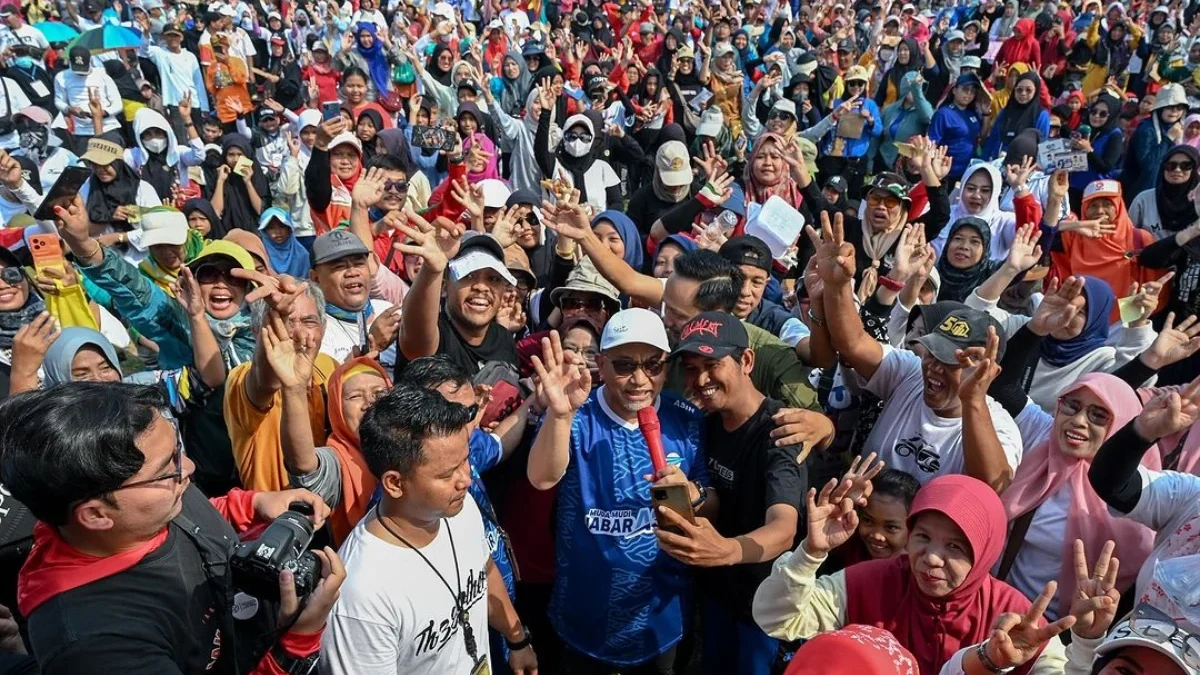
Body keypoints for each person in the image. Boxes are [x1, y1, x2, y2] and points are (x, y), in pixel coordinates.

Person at [0, 382, 345, 674]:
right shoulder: (97, 645)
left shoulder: (153, 497)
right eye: (170, 467)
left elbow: (198, 515)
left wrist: (250, 505)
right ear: (95, 515)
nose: (189, 469)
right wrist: (296, 644)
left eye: (179, 451)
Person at [527, 311, 709, 674]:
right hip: (584, 614)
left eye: (653, 365)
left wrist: (693, 493)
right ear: (601, 364)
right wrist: (560, 416)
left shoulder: (687, 418)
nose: (640, 379)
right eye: (625, 365)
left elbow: (709, 498)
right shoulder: (577, 414)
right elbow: (542, 478)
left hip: (661, 619)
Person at [752, 474, 1071, 675]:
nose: (931, 557)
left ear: (985, 552)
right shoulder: (869, 581)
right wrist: (810, 553)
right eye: (922, 537)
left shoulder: (1016, 619)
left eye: (955, 547)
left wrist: (1086, 643)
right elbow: (776, 619)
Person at [320, 382, 537, 675]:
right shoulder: (360, 596)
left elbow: (484, 571)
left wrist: (517, 640)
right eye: (447, 473)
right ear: (395, 483)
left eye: (464, 462)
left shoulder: (459, 508)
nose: (466, 481)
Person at [812, 211, 1022, 489]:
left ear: (986, 372)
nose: (933, 367)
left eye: (951, 362)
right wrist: (836, 286)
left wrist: (973, 401)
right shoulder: (909, 373)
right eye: (933, 354)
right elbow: (853, 344)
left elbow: (992, 485)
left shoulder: (1001, 427)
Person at [660, 311, 806, 675]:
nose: (701, 379)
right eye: (691, 369)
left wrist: (728, 550)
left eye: (712, 364)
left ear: (746, 360)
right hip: (716, 594)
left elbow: (785, 527)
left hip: (764, 607)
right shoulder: (705, 423)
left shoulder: (781, 432)